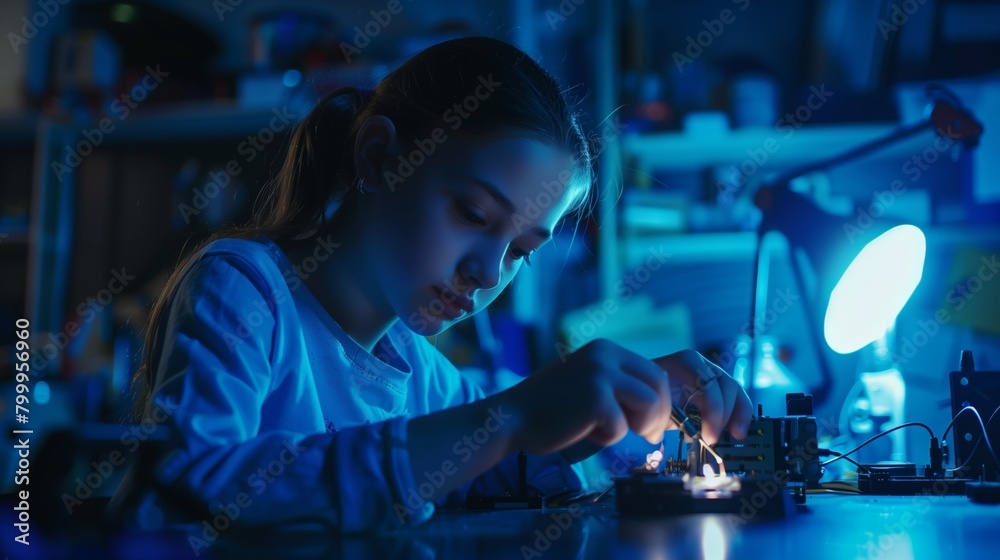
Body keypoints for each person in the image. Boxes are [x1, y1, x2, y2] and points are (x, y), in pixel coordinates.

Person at [115, 36, 752, 534]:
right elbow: (185, 487)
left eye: (522, 252)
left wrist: (632, 411)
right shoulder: (245, 288)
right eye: (473, 215)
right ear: (378, 158)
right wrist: (511, 416)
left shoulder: (418, 369)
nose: (486, 273)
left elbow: (490, 463)